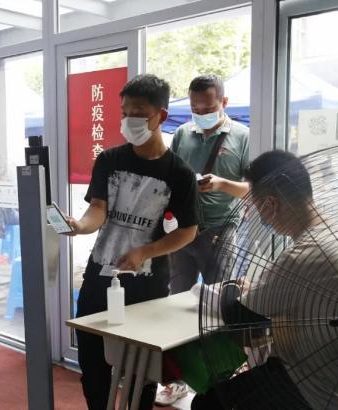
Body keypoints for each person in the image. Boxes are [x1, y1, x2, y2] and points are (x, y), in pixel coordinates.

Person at [191, 150, 338, 409]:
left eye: (256, 207)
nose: (259, 216)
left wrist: (233, 288)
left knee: (206, 404)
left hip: (315, 390)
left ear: (271, 205)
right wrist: (261, 291)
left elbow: (239, 317)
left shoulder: (302, 254)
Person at [65, 74, 199, 410]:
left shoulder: (179, 173)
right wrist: (80, 226)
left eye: (138, 114)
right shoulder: (109, 160)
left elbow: (187, 231)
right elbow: (98, 209)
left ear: (161, 116)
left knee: (143, 372)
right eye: (125, 113)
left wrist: (146, 251)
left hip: (147, 285)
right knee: (93, 366)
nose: (129, 121)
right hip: (100, 276)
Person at [158, 75, 250, 406]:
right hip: (184, 230)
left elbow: (252, 189)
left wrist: (222, 183)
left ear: (224, 103)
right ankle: (176, 378)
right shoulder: (183, 134)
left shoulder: (243, 136)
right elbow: (170, 177)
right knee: (177, 300)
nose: (200, 113)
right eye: (195, 108)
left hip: (221, 230)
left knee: (216, 307)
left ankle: (216, 380)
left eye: (207, 108)